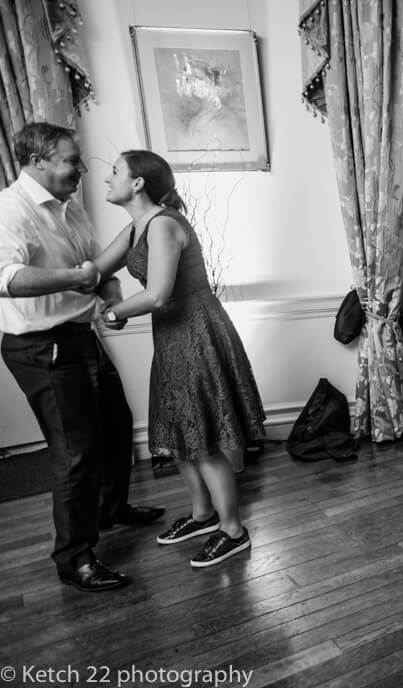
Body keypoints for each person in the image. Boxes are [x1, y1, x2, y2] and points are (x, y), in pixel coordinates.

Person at [0, 122, 163, 592]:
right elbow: (7, 278)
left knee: (116, 425)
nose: (82, 170)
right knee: (75, 452)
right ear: (38, 161)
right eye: (72, 161)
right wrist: (77, 279)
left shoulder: (71, 211)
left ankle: (113, 509)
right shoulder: (11, 210)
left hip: (80, 334)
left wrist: (110, 294)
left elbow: (97, 268)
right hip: (40, 345)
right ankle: (74, 557)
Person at [94, 149, 266, 568]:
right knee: (180, 431)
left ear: (137, 183)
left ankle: (233, 531)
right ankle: (204, 515)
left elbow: (157, 294)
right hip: (171, 338)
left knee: (203, 436)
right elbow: (96, 270)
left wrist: (115, 311)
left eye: (115, 172)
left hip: (196, 333)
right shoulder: (137, 227)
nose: (107, 179)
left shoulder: (164, 225)